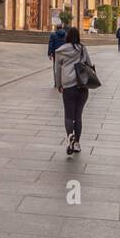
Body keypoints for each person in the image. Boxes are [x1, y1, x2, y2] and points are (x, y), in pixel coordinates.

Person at [52, 26, 92, 157]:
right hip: (82, 87)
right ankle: (77, 144)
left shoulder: (60, 51)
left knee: (69, 115)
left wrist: (59, 85)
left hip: (68, 86)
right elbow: (89, 65)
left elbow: (57, 70)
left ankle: (70, 136)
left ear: (67, 36)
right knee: (78, 116)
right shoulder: (83, 49)